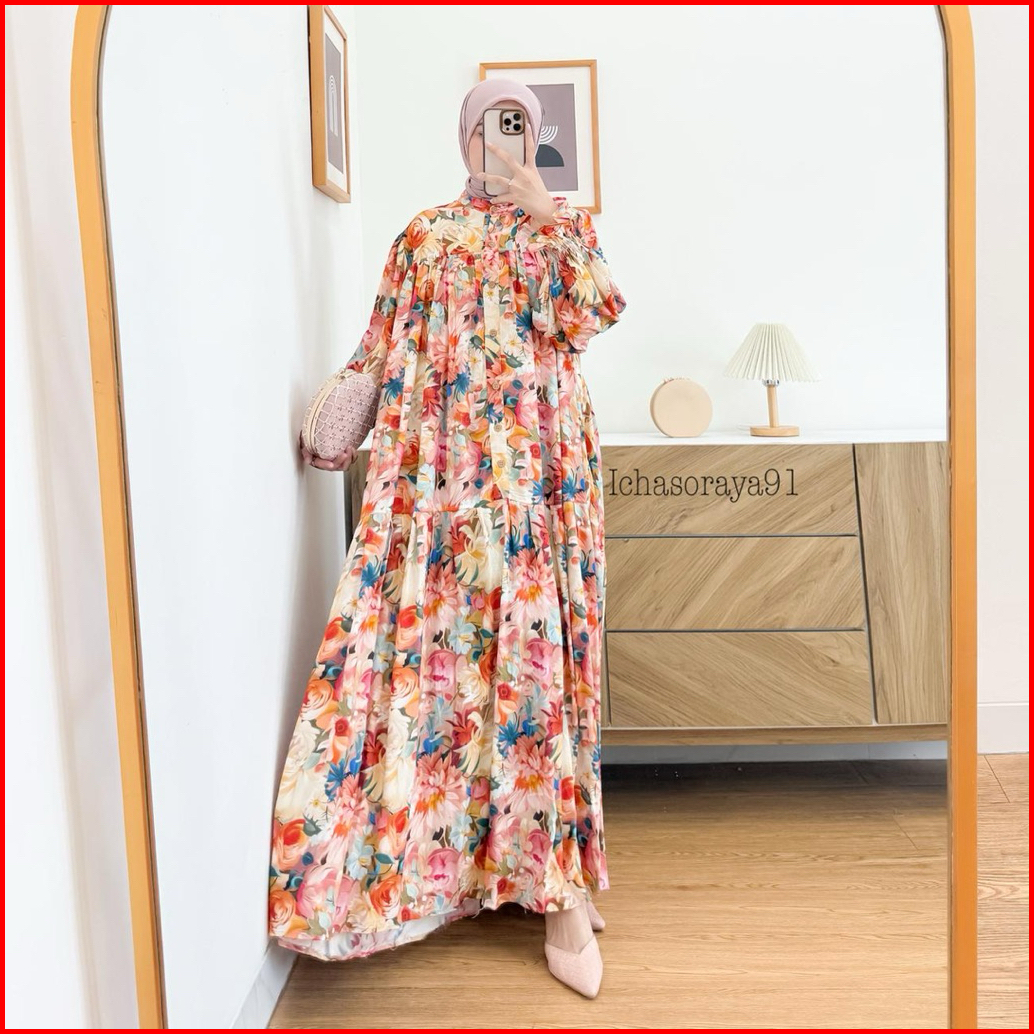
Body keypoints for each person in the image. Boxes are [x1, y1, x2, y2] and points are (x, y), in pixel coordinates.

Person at [271, 78, 625, 999]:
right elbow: (384, 342)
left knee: (541, 672)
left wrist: (549, 215)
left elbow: (594, 314)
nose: (502, 141)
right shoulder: (424, 235)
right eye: (488, 126)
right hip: (445, 479)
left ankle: (559, 889)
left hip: (543, 482)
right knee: (451, 667)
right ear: (464, 137)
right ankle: (467, 872)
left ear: (537, 139)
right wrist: (344, 414)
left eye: (520, 127)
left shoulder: (561, 230)